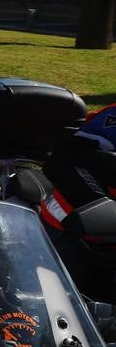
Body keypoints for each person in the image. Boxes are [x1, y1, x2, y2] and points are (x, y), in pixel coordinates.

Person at [39, 103, 116, 293]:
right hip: (74, 235)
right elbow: (67, 159)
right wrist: (100, 208)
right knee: (40, 306)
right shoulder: (112, 118)